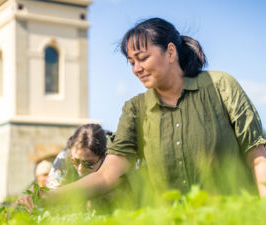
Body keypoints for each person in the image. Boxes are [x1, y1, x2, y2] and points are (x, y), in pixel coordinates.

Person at [18, 17, 266, 211]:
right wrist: (48, 196)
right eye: (131, 62)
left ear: (170, 53)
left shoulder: (221, 86)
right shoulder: (135, 110)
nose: (136, 68)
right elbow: (106, 176)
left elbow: (257, 157)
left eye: (142, 58)